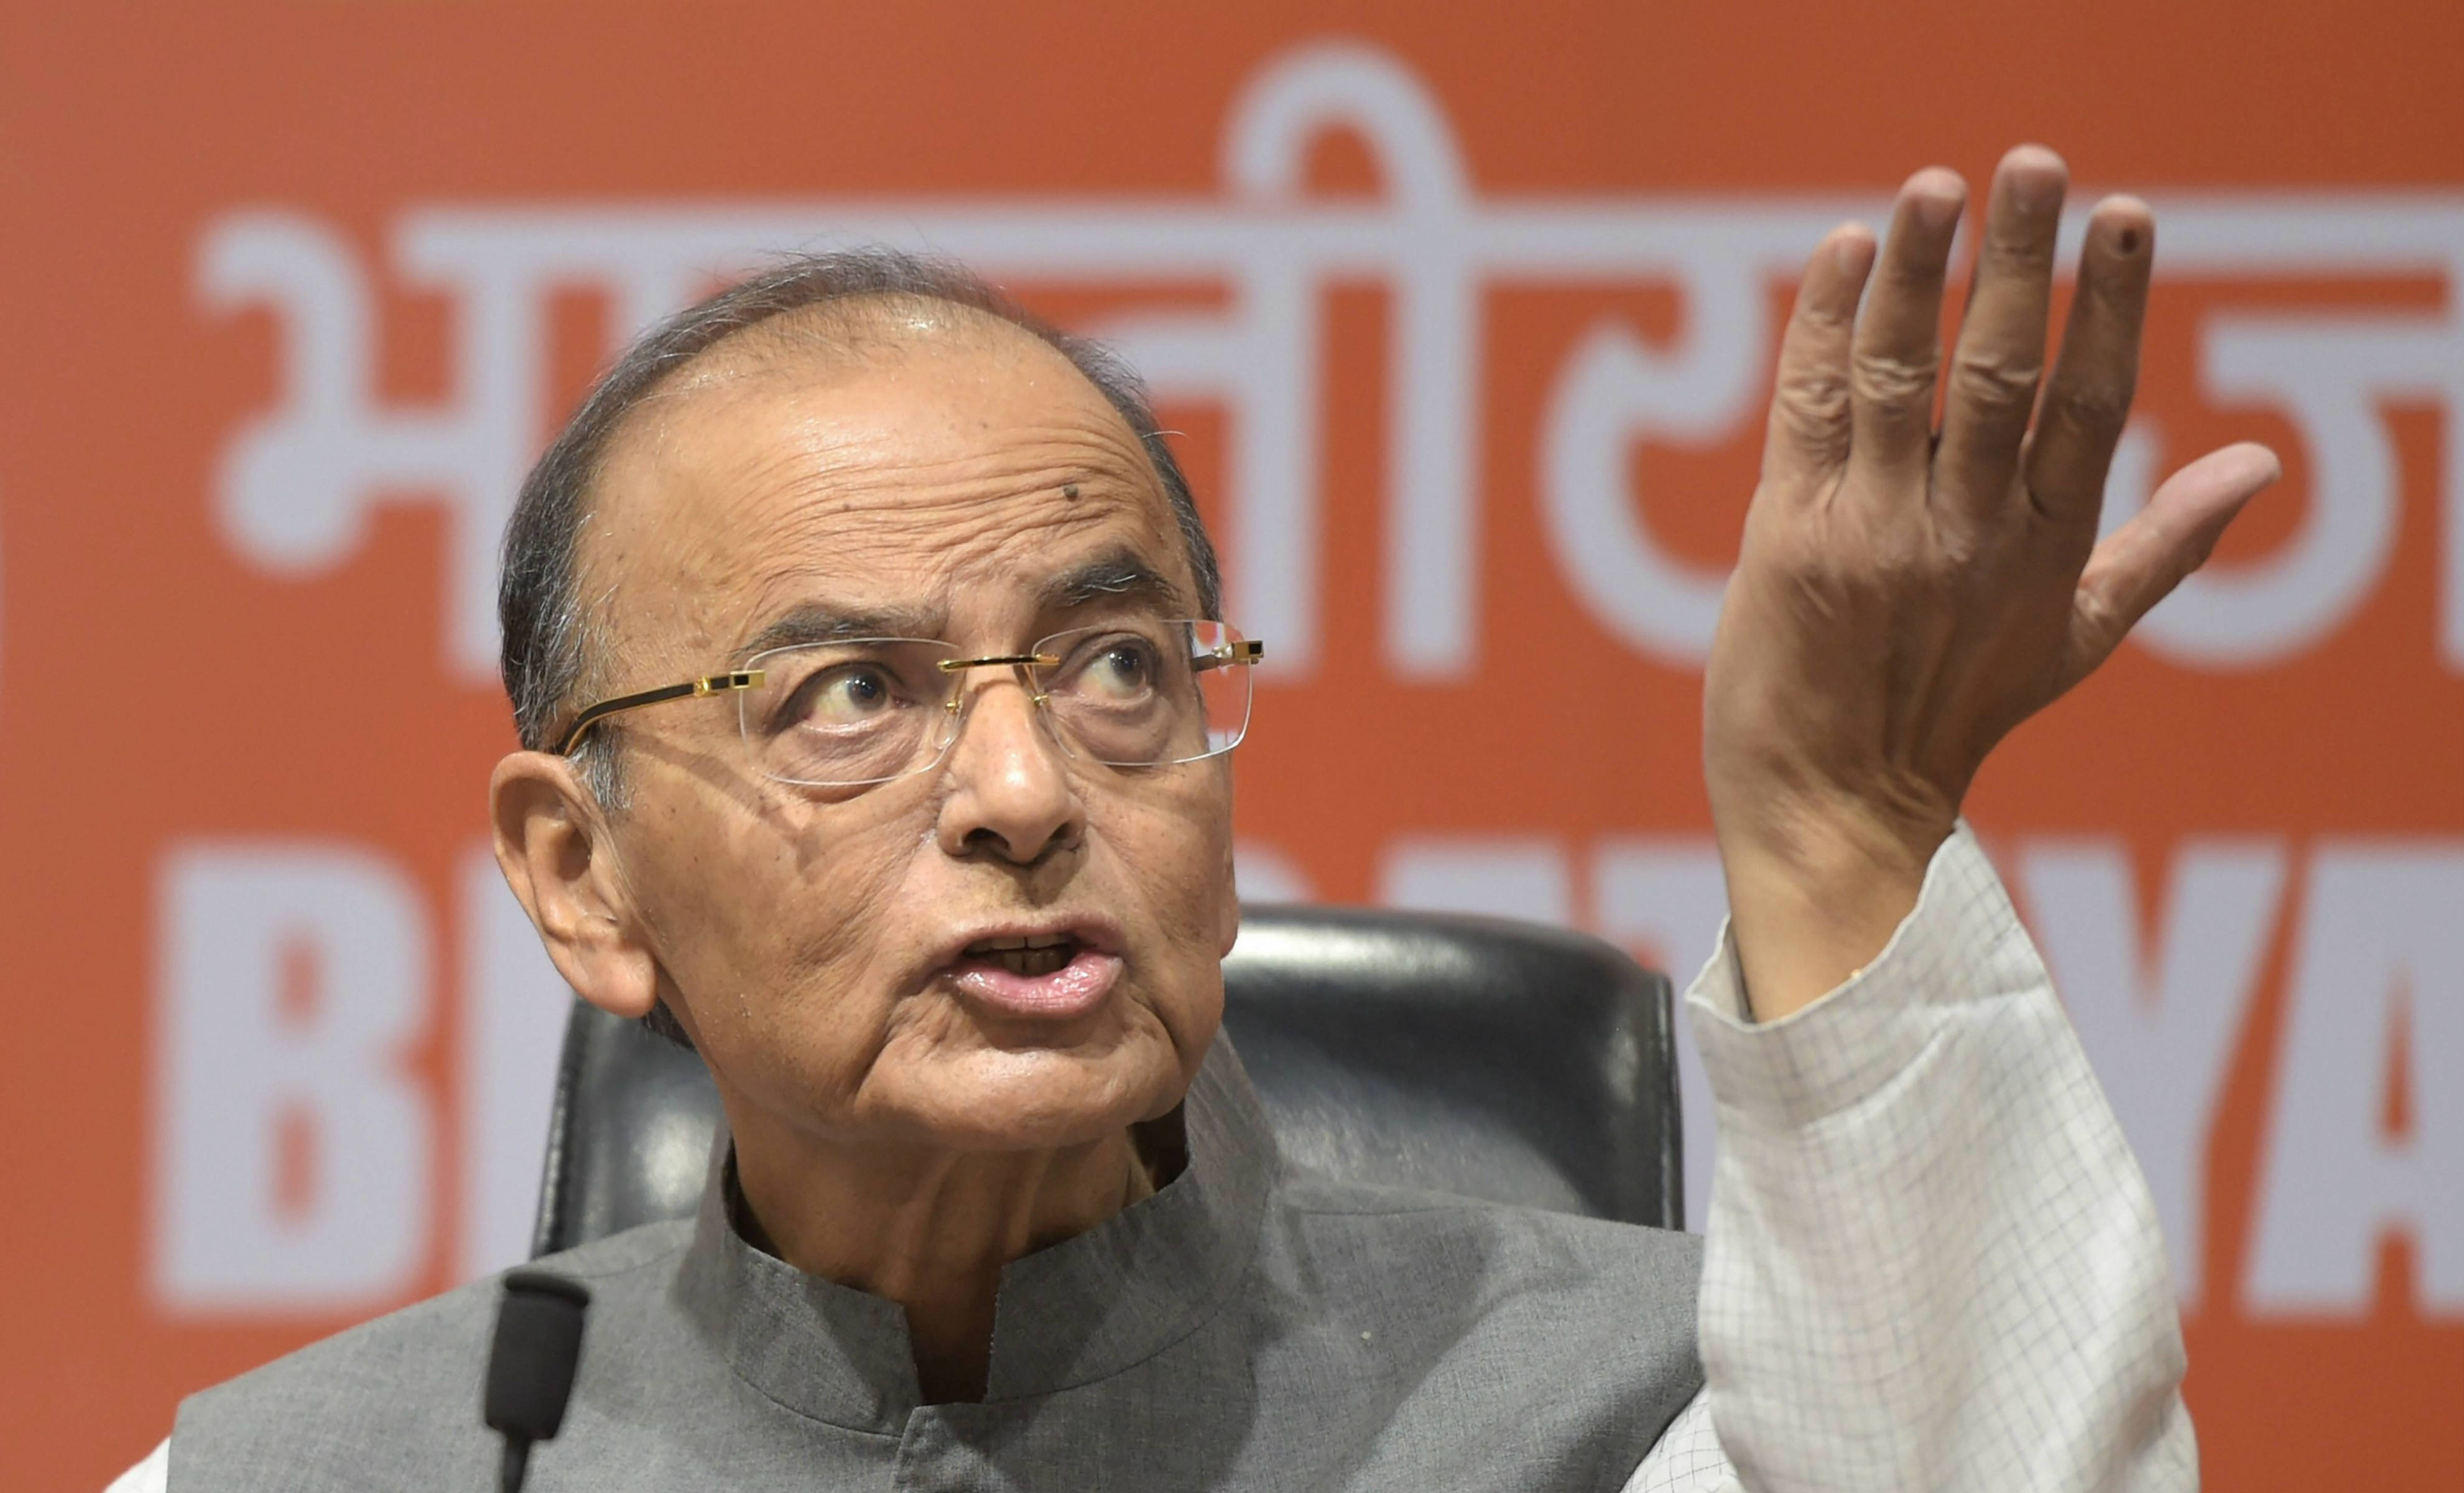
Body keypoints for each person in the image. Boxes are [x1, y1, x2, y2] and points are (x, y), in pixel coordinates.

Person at [114, 146, 2279, 1491]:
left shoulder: (1650, 1419)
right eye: (849, 695)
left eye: (1113, 665)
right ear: (582, 879)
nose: (1024, 791)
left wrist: (1835, 817)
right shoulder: (325, 1474)